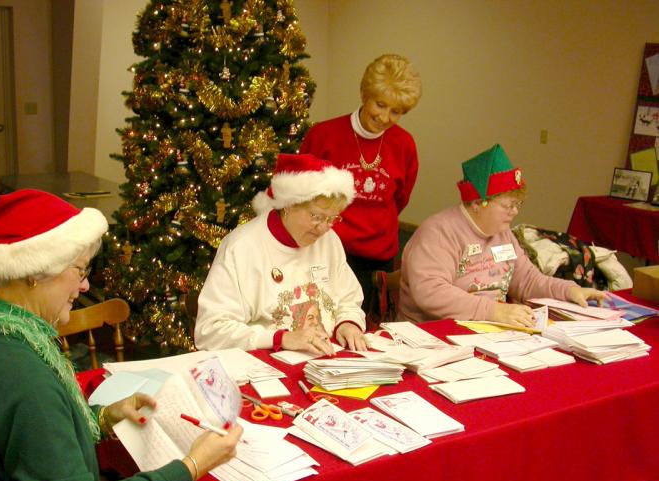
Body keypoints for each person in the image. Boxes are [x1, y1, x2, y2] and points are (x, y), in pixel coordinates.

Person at [0, 190, 242, 481]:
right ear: (34, 272)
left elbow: (29, 444)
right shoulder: (22, 375)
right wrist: (192, 467)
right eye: (80, 271)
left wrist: (103, 417)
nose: (84, 286)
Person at [397, 144, 607, 327]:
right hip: (434, 334)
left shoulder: (503, 234)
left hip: (485, 331)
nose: (515, 212)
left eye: (517, 204)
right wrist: (493, 311)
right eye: (508, 205)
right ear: (478, 203)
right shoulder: (439, 232)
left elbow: (527, 281)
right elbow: (430, 292)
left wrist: (569, 291)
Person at [194, 153, 368, 355]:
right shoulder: (242, 246)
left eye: (332, 219)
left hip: (327, 360)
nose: (323, 228)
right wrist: (280, 338)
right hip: (266, 364)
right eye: (316, 216)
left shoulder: (329, 241)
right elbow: (211, 329)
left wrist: (347, 323)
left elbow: (348, 298)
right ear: (289, 204)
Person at [300, 53, 422, 313]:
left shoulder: (404, 145)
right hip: (328, 251)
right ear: (364, 95)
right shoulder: (324, 135)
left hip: (378, 260)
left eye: (396, 111)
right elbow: (303, 193)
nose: (385, 117)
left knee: (368, 335)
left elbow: (400, 198)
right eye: (380, 104)